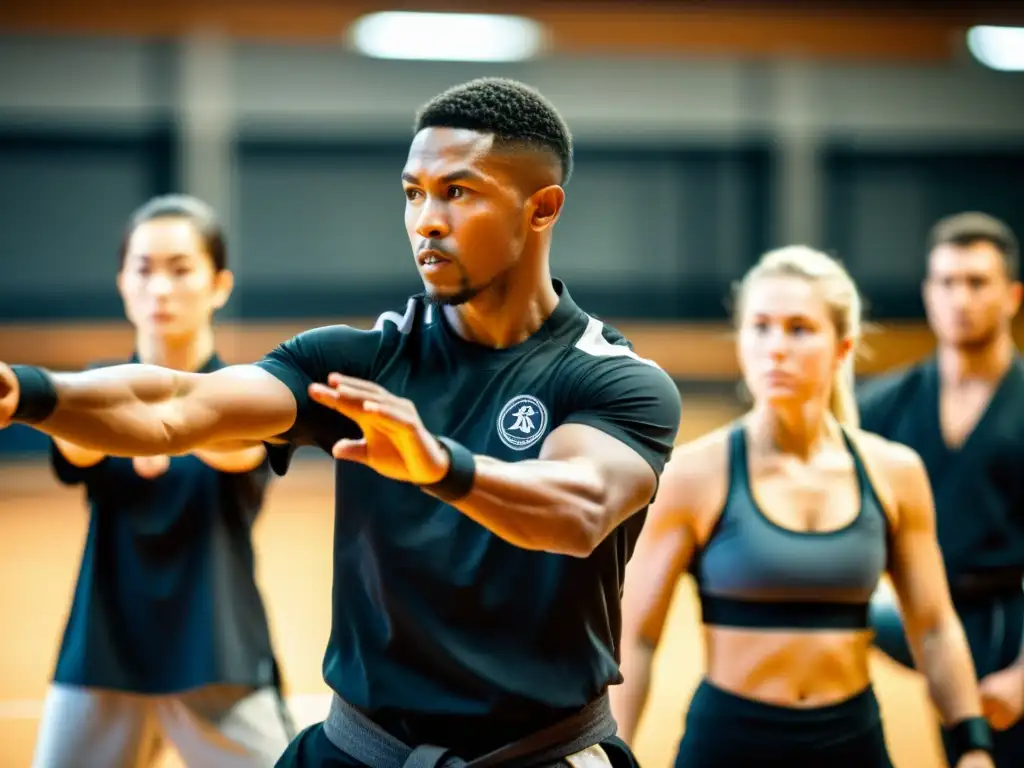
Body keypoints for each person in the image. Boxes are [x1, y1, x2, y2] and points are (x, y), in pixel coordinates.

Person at [0, 78, 682, 768]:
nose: (427, 220)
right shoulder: (356, 362)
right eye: (414, 192)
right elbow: (177, 404)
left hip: (540, 755)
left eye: (459, 191)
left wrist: (443, 468)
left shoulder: (612, 378)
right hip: (360, 751)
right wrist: (22, 391)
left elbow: (580, 507)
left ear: (541, 209)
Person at [610, 245, 994, 767]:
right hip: (729, 744)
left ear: (842, 348)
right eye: (760, 327)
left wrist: (972, 743)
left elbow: (933, 627)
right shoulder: (696, 474)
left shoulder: (893, 473)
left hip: (852, 743)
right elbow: (636, 639)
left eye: (799, 329)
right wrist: (613, 756)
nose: (776, 348)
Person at [27, 195, 294, 768]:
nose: (161, 290)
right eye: (144, 270)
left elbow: (241, 451)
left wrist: (160, 427)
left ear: (219, 285)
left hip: (215, 646)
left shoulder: (251, 391)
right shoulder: (92, 391)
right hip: (104, 649)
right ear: (123, 282)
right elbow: (73, 442)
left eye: (181, 269)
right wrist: (37, 397)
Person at [859, 212, 1024, 766]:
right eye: (947, 282)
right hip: (928, 616)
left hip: (1010, 625)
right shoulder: (890, 401)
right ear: (929, 293)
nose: (961, 297)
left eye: (977, 282)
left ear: (1012, 296)